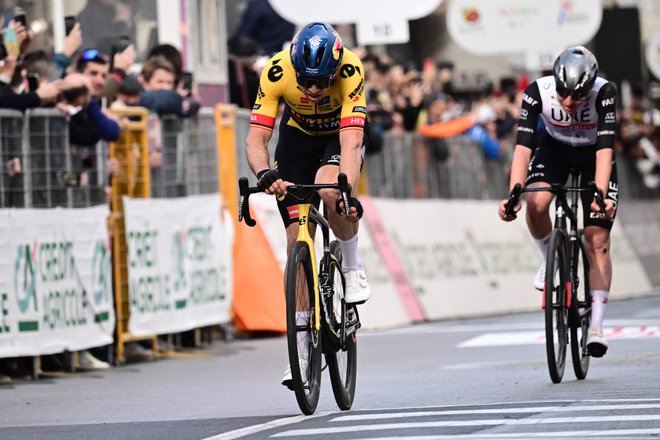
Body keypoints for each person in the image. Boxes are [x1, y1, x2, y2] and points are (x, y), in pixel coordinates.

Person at [245, 22, 371, 387]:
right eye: (306, 81)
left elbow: (350, 144)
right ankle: (301, 351)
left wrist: (346, 188)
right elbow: (256, 138)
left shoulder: (350, 69)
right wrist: (265, 173)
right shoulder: (277, 69)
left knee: (331, 191)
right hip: (297, 139)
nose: (314, 89)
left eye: (322, 81)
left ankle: (351, 264)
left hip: (337, 137)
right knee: (294, 240)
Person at [497, 46, 618, 358]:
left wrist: (602, 196)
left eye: (577, 97)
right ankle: (546, 255)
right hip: (555, 150)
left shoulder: (604, 92)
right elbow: (523, 147)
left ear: (589, 87)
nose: (568, 102)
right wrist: (514, 193)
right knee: (536, 202)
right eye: (564, 94)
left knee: (597, 239)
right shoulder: (537, 91)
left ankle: (596, 328)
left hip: (593, 156)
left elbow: (605, 150)